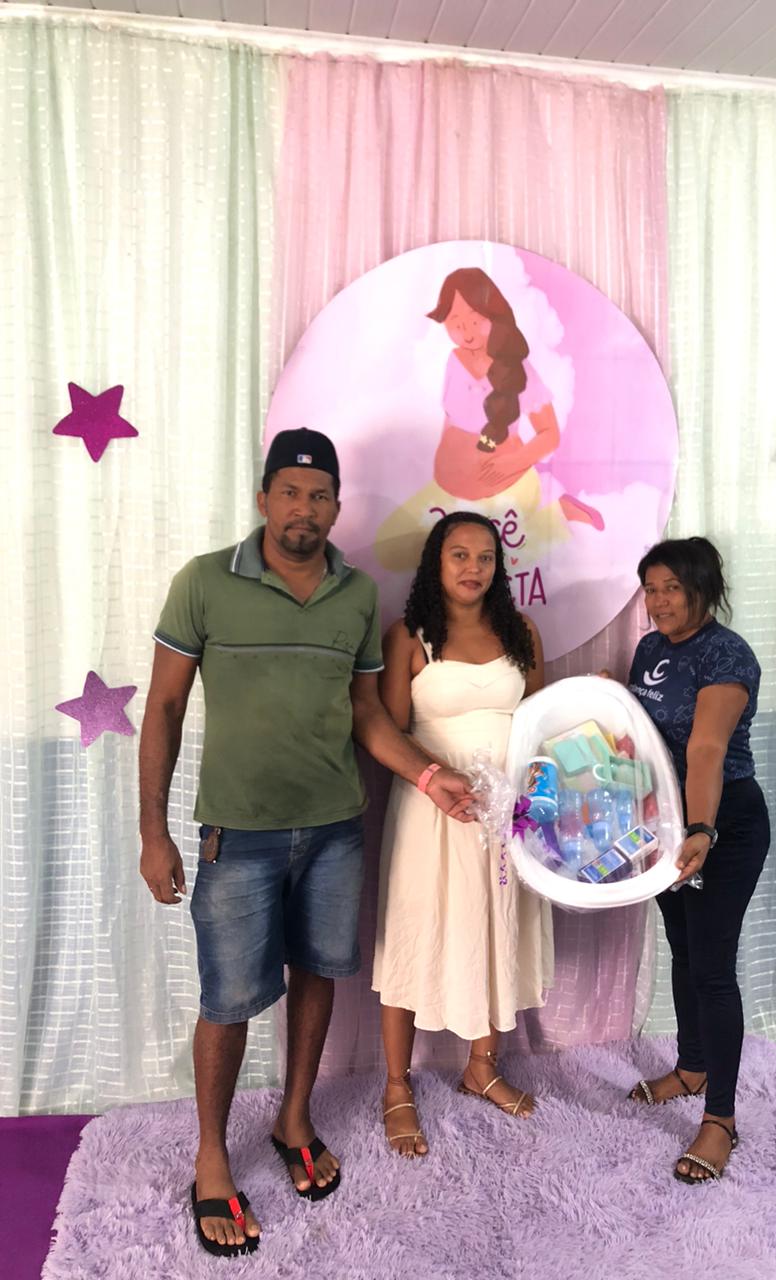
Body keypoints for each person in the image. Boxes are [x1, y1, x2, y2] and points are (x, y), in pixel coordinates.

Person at [138, 429, 475, 1257]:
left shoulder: (356, 596)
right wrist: (152, 830)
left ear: (335, 507)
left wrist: (430, 776)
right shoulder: (204, 582)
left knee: (319, 973)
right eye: (289, 492)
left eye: (319, 495)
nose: (304, 508)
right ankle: (212, 1155)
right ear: (264, 499)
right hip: (237, 836)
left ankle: (295, 1118)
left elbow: (367, 714)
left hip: (333, 832)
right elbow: (165, 708)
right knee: (227, 1002)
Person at [372, 511, 554, 1156]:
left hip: (504, 819)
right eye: (459, 555)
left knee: (494, 926)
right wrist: (440, 777)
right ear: (436, 562)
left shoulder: (521, 630)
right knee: (414, 931)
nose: (473, 567)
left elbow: (540, 718)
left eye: (485, 557)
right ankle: (397, 1085)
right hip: (432, 814)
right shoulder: (408, 636)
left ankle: (482, 1066)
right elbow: (390, 732)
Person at [624, 537, 769, 1184]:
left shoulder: (726, 654)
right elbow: (648, 736)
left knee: (712, 969)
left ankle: (721, 1120)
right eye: (650, 589)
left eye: (672, 589)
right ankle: (691, 1068)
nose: (658, 602)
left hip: (723, 824)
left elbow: (706, 749)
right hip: (668, 825)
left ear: (703, 589)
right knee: (684, 952)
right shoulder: (650, 649)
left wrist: (702, 828)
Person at [376, 267, 602, 573]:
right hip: (449, 489)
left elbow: (550, 434)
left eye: (475, 320)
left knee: (493, 564)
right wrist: (444, 464)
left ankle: (558, 514)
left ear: (494, 316)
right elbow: (450, 417)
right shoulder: (454, 360)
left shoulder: (517, 368)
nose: (466, 331)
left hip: (505, 486)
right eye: (455, 322)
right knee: (389, 550)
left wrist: (511, 463)